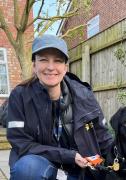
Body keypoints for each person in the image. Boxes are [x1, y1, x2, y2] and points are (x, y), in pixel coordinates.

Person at [7, 34, 113, 180]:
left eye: (57, 61)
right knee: (27, 169)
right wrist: (69, 156)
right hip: (44, 168)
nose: (51, 67)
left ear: (65, 67)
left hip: (80, 170)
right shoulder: (19, 96)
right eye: (43, 60)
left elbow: (102, 137)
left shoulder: (84, 94)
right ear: (34, 65)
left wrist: (122, 157)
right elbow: (21, 144)